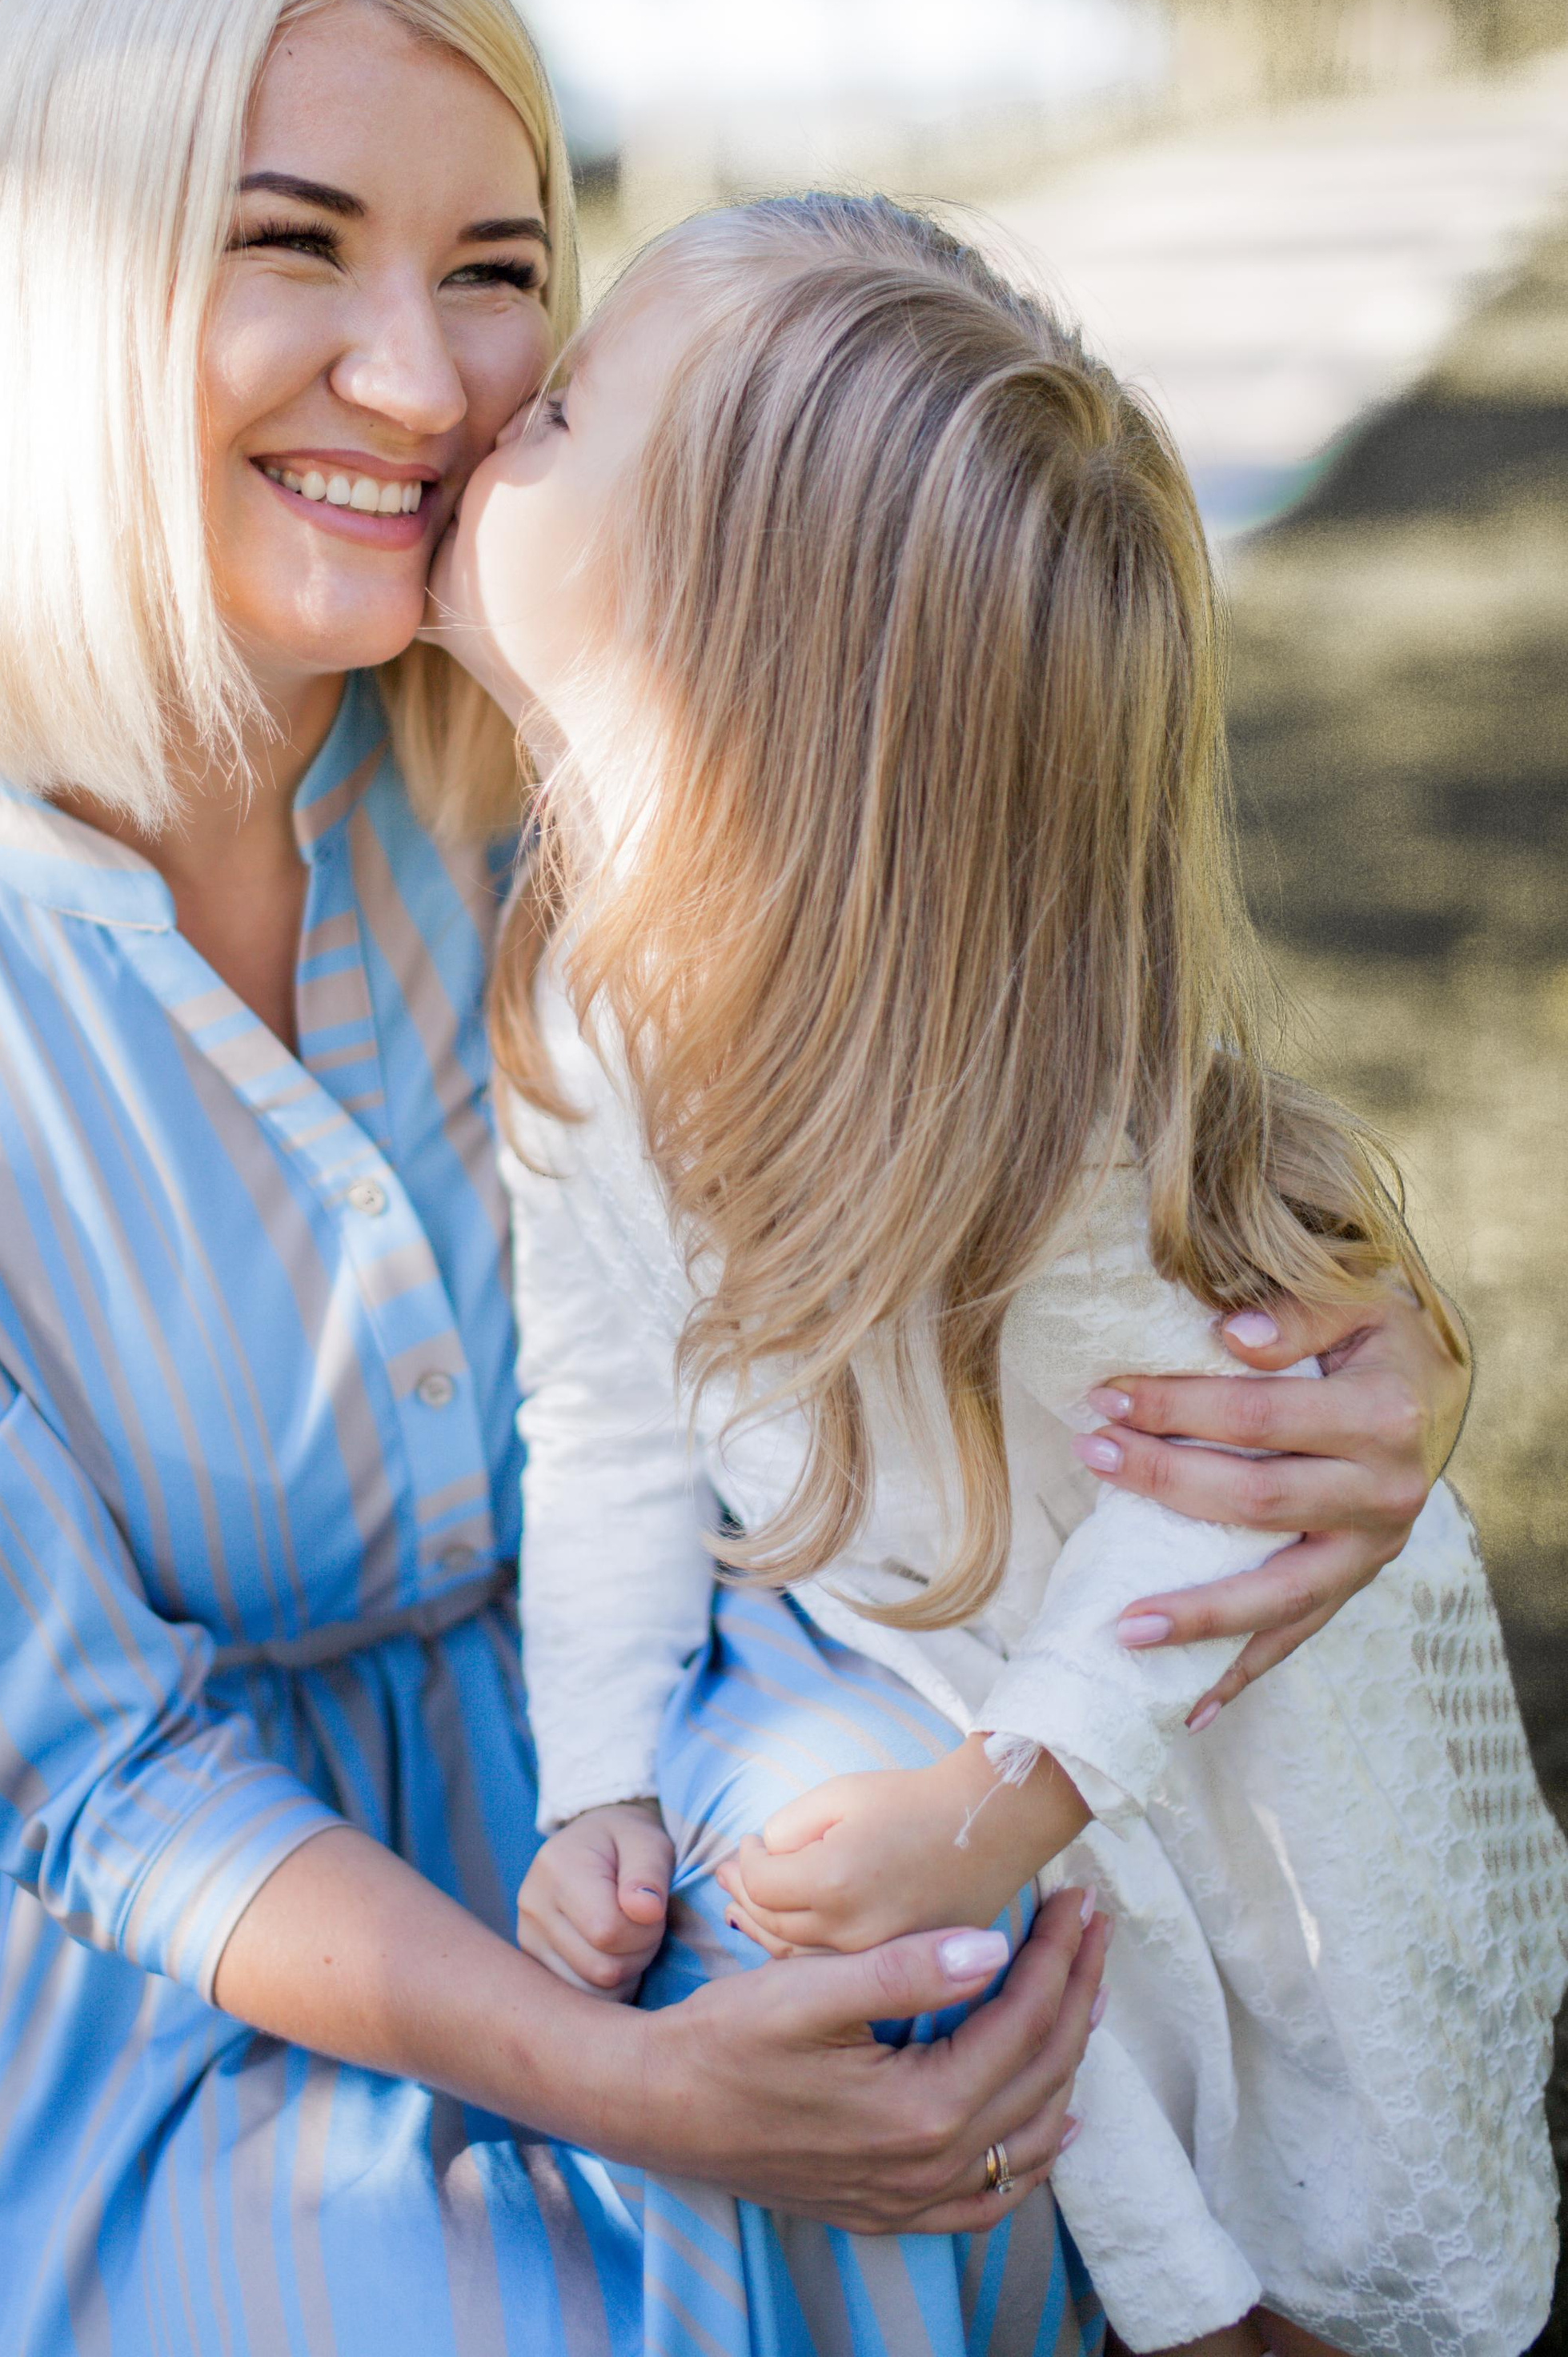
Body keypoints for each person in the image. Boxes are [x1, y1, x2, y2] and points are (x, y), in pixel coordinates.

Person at [0, 0, 1462, 2357]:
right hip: (218, 1979)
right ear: (58, 286)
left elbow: (1054, 1090)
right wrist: (629, 2085)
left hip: (682, 1732)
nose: (424, 376)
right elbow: (100, 1789)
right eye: (297, 246)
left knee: (910, 1988)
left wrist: (1376, 1362)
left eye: (497, 269)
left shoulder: (569, 734)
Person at [432, 191, 1568, 2357]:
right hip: (957, 1676)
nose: (502, 423)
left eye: (564, 412)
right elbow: (597, 1420)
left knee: (1333, 2138)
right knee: (1122, 2161)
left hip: (1204, 1714)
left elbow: (1214, 1477)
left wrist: (1008, 1795)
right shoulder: (577, 987)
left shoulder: (1001, 1058)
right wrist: (594, 1779)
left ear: (715, 628)